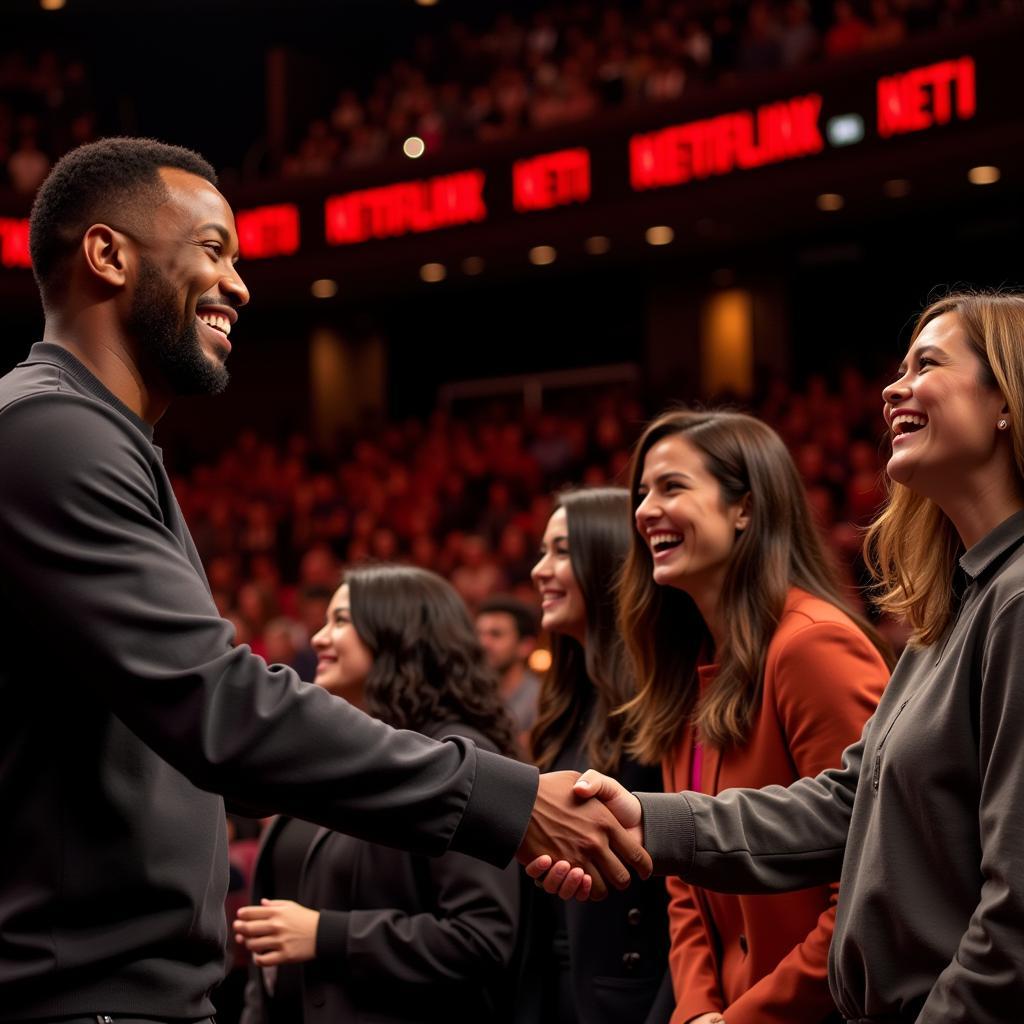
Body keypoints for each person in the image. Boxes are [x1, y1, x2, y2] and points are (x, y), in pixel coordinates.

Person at [0, 138, 646, 1022]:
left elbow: (223, 752)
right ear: (108, 255)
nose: (239, 285)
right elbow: (220, 711)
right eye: (214, 251)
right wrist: (503, 796)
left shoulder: (86, 437)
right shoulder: (53, 436)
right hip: (80, 998)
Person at [538, 292, 1024, 1023]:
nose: (894, 388)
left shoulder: (1011, 602)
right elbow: (845, 803)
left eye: (926, 365)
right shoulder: (950, 612)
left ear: (1007, 402)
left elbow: (1014, 911)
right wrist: (647, 820)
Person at [620, 410, 890, 1024]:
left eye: (671, 487)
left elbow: (869, 883)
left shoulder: (813, 647)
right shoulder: (684, 669)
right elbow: (683, 885)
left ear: (744, 507)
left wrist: (748, 1018)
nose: (644, 510)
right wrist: (695, 1011)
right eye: (641, 494)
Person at [237, 566, 521, 1024]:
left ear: (399, 633)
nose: (319, 639)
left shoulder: (458, 758)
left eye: (342, 620)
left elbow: (481, 938)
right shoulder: (328, 756)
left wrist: (324, 934)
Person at [518, 488, 673, 1024]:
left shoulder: (660, 704)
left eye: (562, 551)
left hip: (634, 997)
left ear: (608, 561)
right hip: (560, 990)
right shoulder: (566, 705)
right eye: (543, 551)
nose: (541, 570)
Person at [476, 593, 542, 741]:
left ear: (525, 646)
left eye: (496, 634)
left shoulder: (540, 701)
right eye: (478, 634)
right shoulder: (470, 694)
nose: (483, 643)